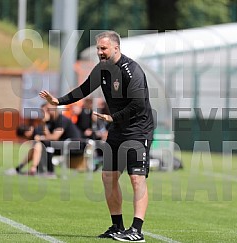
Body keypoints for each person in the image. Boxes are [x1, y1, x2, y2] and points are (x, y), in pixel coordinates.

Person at [39, 30, 154, 242]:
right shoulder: (102, 69)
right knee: (108, 176)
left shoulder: (131, 70)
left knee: (136, 178)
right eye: (98, 48)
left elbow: (138, 103)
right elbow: (83, 90)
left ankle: (136, 230)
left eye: (103, 48)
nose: (100, 52)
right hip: (117, 129)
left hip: (138, 129)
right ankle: (117, 226)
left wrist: (113, 118)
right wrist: (58, 101)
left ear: (116, 48)